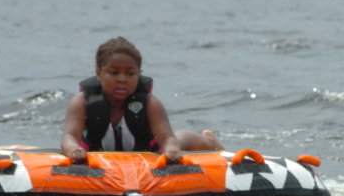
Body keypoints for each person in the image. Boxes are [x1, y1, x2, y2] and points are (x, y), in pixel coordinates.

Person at [61, 36, 223, 164]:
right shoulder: (81, 102)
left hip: (147, 151)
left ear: (139, 74)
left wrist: (171, 149)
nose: (122, 79)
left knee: (181, 139)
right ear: (99, 73)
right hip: (98, 153)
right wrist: (73, 149)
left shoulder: (150, 103)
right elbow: (69, 136)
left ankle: (209, 140)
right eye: (114, 73)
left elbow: (167, 137)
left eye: (130, 74)